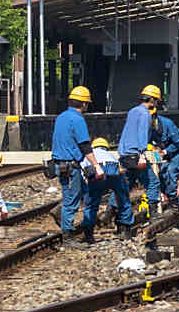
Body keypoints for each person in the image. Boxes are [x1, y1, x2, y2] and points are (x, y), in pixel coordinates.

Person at [52, 85, 101, 243]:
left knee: (81, 193)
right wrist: (96, 165)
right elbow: (85, 145)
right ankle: (67, 236)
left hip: (60, 164)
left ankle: (63, 214)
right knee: (72, 201)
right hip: (70, 165)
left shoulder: (61, 117)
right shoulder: (78, 119)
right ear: (84, 104)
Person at [118, 84, 163, 217]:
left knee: (126, 184)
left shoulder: (132, 111)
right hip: (135, 155)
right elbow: (142, 134)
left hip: (124, 154)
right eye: (156, 101)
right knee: (153, 183)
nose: (156, 104)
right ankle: (153, 214)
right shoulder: (145, 114)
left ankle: (111, 210)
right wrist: (142, 154)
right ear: (152, 100)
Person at [89, 136, 136, 237]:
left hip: (96, 168)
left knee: (92, 201)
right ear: (106, 147)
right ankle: (125, 229)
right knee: (123, 198)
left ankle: (89, 232)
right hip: (113, 167)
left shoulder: (90, 155)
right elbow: (121, 170)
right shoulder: (110, 155)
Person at [150, 108, 179, 211]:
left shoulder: (168, 124)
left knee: (171, 171)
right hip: (165, 150)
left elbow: (178, 144)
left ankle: (174, 201)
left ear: (154, 117)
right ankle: (171, 196)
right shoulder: (149, 126)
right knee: (162, 173)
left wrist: (165, 151)